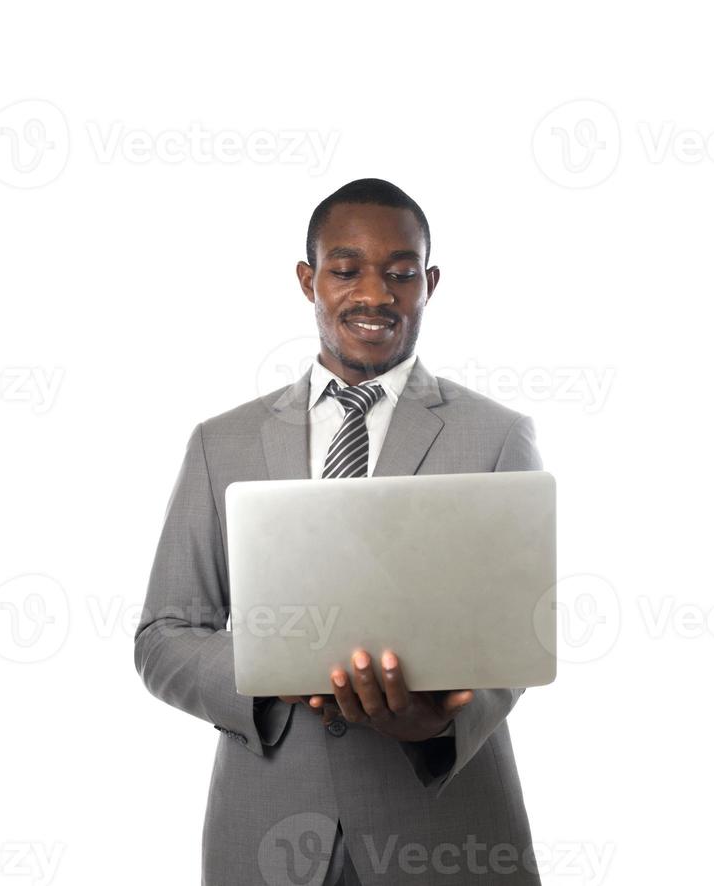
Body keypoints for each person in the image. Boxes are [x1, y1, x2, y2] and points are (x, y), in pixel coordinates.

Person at [134, 178, 545, 885]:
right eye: (346, 269)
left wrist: (439, 723)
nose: (376, 295)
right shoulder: (221, 443)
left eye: (401, 273)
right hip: (270, 827)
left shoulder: (497, 436)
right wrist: (269, 671)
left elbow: (522, 636)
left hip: (443, 828)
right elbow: (165, 634)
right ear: (309, 280)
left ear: (430, 282)